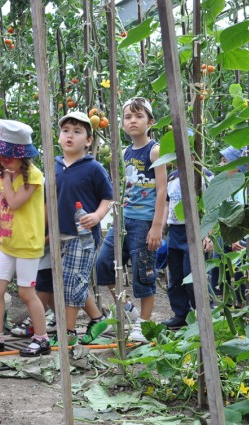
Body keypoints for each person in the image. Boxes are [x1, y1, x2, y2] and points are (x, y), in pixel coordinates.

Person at [0, 119, 50, 357]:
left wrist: (4, 177)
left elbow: (14, 203)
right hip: (8, 242)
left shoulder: (32, 176)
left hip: (27, 244)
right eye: (0, 156)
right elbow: (3, 205)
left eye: (8, 156)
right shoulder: (10, 173)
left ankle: (42, 338)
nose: (3, 160)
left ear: (22, 155)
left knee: (26, 293)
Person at [95, 98, 167, 343]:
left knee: (144, 273)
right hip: (123, 220)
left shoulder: (155, 151)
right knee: (103, 264)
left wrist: (157, 226)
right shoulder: (124, 153)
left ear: (150, 122)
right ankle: (127, 310)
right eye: (128, 117)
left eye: (138, 116)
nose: (133, 121)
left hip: (144, 222)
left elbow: (162, 190)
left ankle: (144, 324)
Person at [51, 111, 113, 346]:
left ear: (88, 140)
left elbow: (108, 198)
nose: (70, 136)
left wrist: (97, 216)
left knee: (71, 283)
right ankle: (98, 319)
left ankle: (67, 332)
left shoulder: (93, 167)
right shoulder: (55, 166)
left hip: (83, 235)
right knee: (73, 281)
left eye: (77, 132)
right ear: (59, 137)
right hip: (58, 234)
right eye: (66, 131)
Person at [161, 167, 214, 329]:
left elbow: (212, 206)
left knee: (193, 276)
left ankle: (204, 314)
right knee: (175, 277)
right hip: (175, 231)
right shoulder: (172, 177)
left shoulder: (204, 175)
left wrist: (209, 234)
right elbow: (167, 205)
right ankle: (181, 314)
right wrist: (161, 228)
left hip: (196, 230)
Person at [209, 147, 247, 307]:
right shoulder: (222, 185)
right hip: (221, 234)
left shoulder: (241, 187)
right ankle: (220, 302)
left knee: (238, 269)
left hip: (237, 234)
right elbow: (214, 212)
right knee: (217, 267)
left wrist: (235, 237)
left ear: (237, 167)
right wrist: (210, 234)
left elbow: (241, 214)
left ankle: (240, 302)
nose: (220, 164)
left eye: (225, 161)